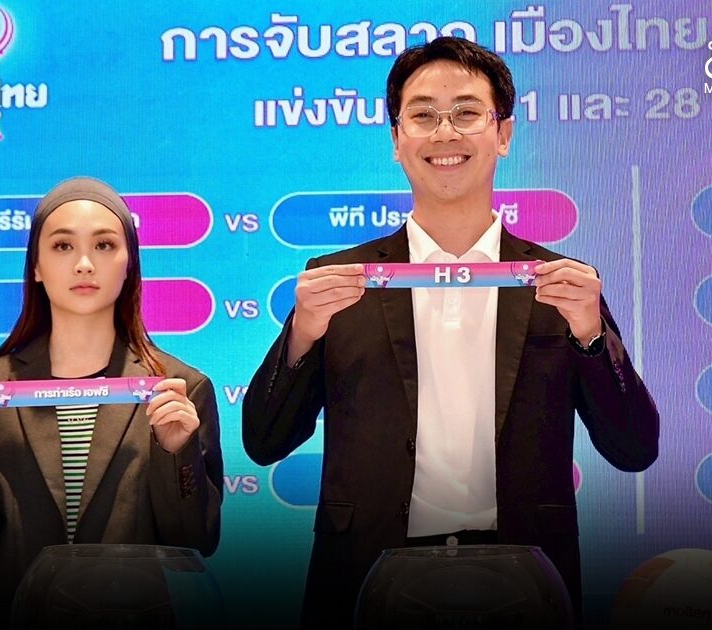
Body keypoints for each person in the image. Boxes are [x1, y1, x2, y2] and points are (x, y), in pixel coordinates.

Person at [242, 37, 659, 627]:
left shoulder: (561, 284)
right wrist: (302, 338)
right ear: (396, 139)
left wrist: (591, 338)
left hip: (523, 581)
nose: (445, 133)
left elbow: (635, 449)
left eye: (466, 113)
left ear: (503, 133)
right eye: (423, 115)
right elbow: (263, 441)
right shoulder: (338, 282)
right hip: (367, 578)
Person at [0, 177, 224, 628]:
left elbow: (197, 542)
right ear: (36, 266)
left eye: (104, 246)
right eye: (63, 246)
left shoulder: (179, 390)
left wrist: (175, 453)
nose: (84, 264)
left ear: (130, 264)